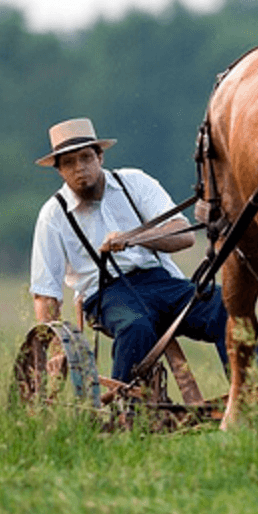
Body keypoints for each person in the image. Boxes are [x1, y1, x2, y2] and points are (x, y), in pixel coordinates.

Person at [29, 117, 228, 383]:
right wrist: (55, 350)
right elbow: (46, 293)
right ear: (59, 170)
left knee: (224, 304)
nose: (79, 168)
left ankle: (249, 392)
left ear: (100, 157)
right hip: (106, 295)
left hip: (161, 281)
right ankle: (126, 415)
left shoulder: (134, 182)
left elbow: (184, 235)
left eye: (86, 157)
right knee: (136, 326)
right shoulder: (53, 215)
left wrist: (135, 237)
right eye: (68, 162)